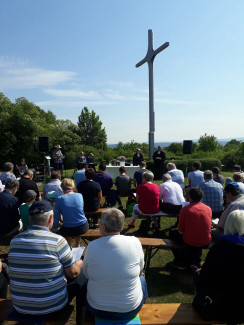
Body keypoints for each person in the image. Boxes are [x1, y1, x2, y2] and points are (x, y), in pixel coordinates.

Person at [8, 200, 86, 315]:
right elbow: (73, 273)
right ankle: (82, 319)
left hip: (20, 306)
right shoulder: (57, 241)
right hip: (51, 306)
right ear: (50, 219)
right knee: (82, 275)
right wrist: (79, 264)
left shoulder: (14, 241)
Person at [83, 208, 148, 320]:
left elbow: (86, 275)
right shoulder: (134, 242)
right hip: (130, 309)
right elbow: (141, 269)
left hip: (97, 308)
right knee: (142, 278)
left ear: (103, 227)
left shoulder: (92, 246)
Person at [193, 209, 244, 322]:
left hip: (218, 308)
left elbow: (205, 275)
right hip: (241, 308)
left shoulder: (219, 249)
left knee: (197, 274)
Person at [169, 188, 212, 269]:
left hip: (191, 241)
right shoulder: (208, 208)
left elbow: (180, 230)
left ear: (189, 197)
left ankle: (180, 260)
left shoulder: (185, 209)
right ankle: (194, 261)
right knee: (195, 237)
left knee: (172, 232)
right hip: (206, 240)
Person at [53, 178, 89, 247]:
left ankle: (69, 247)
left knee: (66, 234)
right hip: (83, 226)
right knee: (76, 230)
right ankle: (77, 245)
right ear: (72, 186)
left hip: (68, 228)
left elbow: (56, 218)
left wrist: (53, 228)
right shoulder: (79, 195)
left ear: (62, 187)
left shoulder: (59, 199)